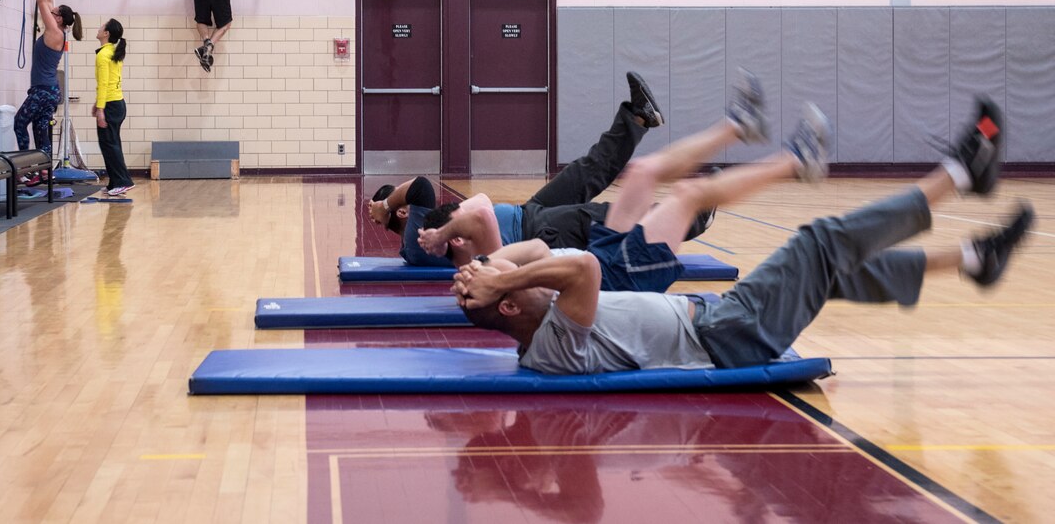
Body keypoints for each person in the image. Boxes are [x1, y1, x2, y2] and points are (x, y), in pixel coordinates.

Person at [453, 96, 1034, 374]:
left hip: (720, 321)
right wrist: (498, 276)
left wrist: (495, 269)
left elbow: (538, 258)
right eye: (505, 285)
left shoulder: (542, 310)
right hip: (727, 337)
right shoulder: (551, 343)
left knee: (832, 272)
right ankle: (958, 174)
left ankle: (972, 258)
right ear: (509, 303)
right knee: (820, 243)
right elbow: (584, 269)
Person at [417, 69, 771, 267]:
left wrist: (441, 229)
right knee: (612, 219)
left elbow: (477, 202)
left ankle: (638, 117)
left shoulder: (455, 235)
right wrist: (420, 224)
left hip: (532, 212)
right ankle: (694, 214)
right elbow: (479, 211)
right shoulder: (472, 257)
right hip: (543, 232)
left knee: (588, 170)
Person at [14, 0, 82, 186]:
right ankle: (44, 172)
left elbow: (43, 2)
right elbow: (49, 1)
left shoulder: (54, 32)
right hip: (49, 92)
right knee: (40, 131)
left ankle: (23, 171)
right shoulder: (58, 31)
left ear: (59, 19)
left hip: (43, 91)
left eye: (54, 13)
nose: (50, 12)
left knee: (19, 124)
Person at [94, 18, 135, 196]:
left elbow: (104, 84)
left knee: (110, 145)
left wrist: (101, 109)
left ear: (106, 33)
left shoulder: (104, 54)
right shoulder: (112, 51)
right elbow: (108, 82)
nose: (99, 27)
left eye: (101, 26)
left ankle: (124, 181)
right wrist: (97, 103)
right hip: (117, 104)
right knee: (111, 144)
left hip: (111, 105)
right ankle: (114, 183)